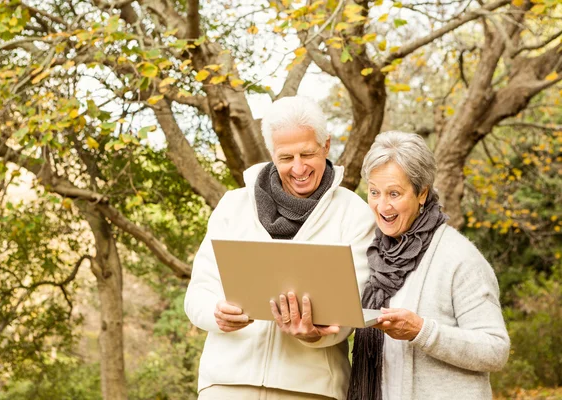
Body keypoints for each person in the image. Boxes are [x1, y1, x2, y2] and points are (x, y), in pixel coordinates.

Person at [184, 96, 376, 400]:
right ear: (272, 154)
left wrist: (315, 334)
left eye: (307, 153)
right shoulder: (233, 206)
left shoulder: (354, 214)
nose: (298, 168)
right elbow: (198, 294)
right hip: (226, 384)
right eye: (286, 157)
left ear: (326, 146)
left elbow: (353, 310)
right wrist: (216, 314)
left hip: (310, 389)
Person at [347, 131, 510, 400]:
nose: (382, 205)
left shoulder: (459, 258)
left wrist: (422, 331)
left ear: (422, 193)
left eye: (394, 193)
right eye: (374, 192)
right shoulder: (373, 254)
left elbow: (495, 350)